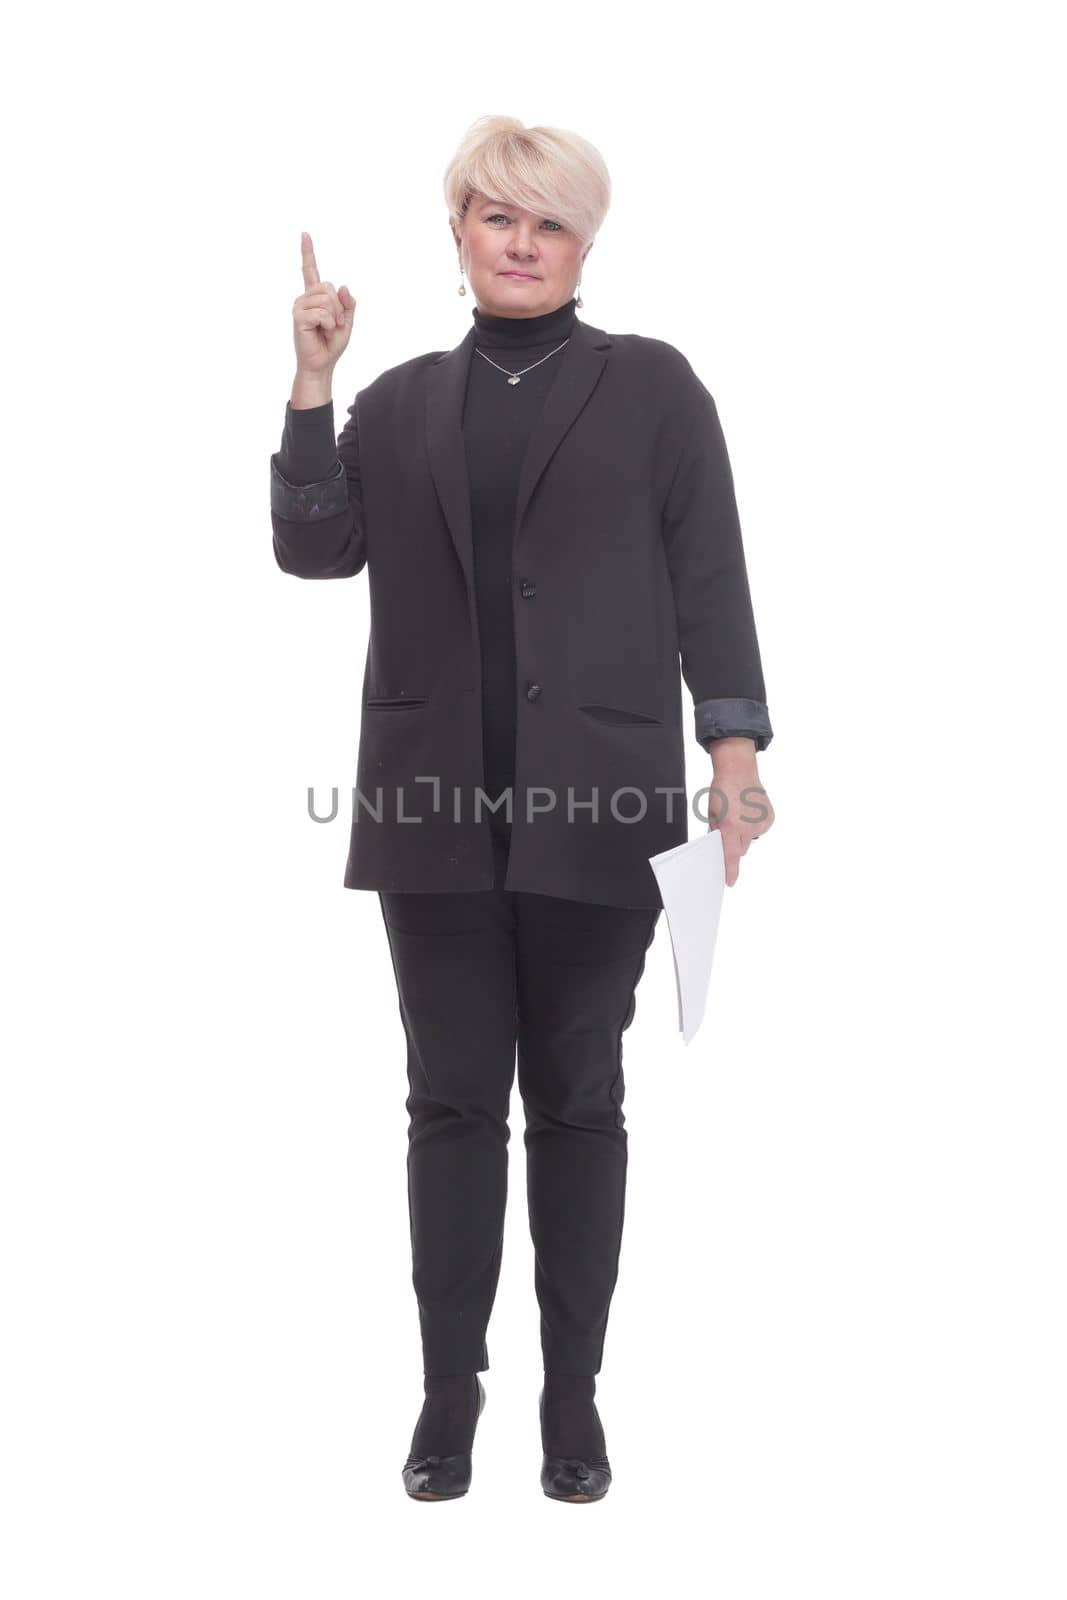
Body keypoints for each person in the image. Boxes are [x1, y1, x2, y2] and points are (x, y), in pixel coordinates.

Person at [270, 114, 776, 1503]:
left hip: (602, 803)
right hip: (433, 805)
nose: (523, 244)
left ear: (583, 244)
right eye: (500, 218)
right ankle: (447, 1395)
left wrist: (733, 753)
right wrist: (314, 383)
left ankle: (572, 1400)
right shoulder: (403, 401)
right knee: (446, 1105)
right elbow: (313, 552)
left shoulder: (654, 388)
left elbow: (710, 578)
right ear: (460, 233)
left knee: (579, 1101)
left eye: (550, 224)